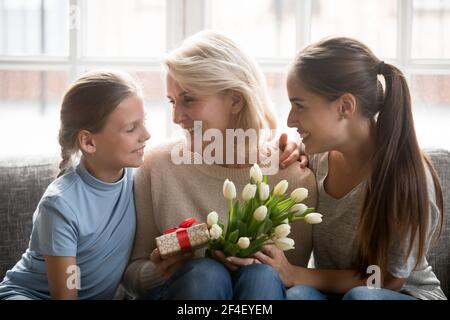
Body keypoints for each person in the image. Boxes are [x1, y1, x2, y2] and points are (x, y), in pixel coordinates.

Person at [123, 30, 317, 300]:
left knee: (261, 275)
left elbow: (289, 278)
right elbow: (132, 275)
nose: (177, 116)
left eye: (188, 99)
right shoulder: (157, 166)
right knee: (205, 272)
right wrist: (162, 269)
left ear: (235, 100)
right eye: (172, 101)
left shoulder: (292, 176)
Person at [251, 36, 447, 300]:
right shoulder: (318, 160)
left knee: (361, 297)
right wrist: (291, 151)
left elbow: (387, 279)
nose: (290, 119)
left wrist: (297, 273)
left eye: (299, 105)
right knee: (298, 297)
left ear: (345, 106)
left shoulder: (407, 177)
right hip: (338, 293)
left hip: (400, 293)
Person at [0, 70, 150, 299]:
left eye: (144, 123)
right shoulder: (60, 205)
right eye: (131, 128)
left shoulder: (140, 178)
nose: (146, 135)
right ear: (89, 142)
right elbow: (65, 295)